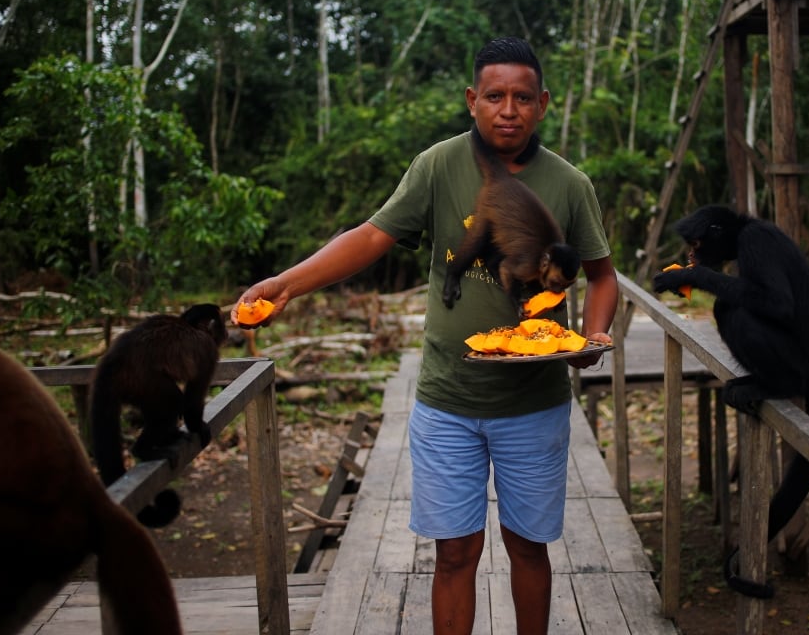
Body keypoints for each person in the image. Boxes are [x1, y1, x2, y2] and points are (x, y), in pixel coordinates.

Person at [232, 36, 618, 634]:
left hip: (534, 404)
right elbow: (369, 237)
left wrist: (591, 337)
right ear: (472, 100)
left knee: (528, 549)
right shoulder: (438, 166)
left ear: (543, 103)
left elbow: (602, 277)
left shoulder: (569, 184)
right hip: (448, 404)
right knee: (455, 554)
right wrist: (288, 283)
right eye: (494, 96)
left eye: (521, 97)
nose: (507, 109)